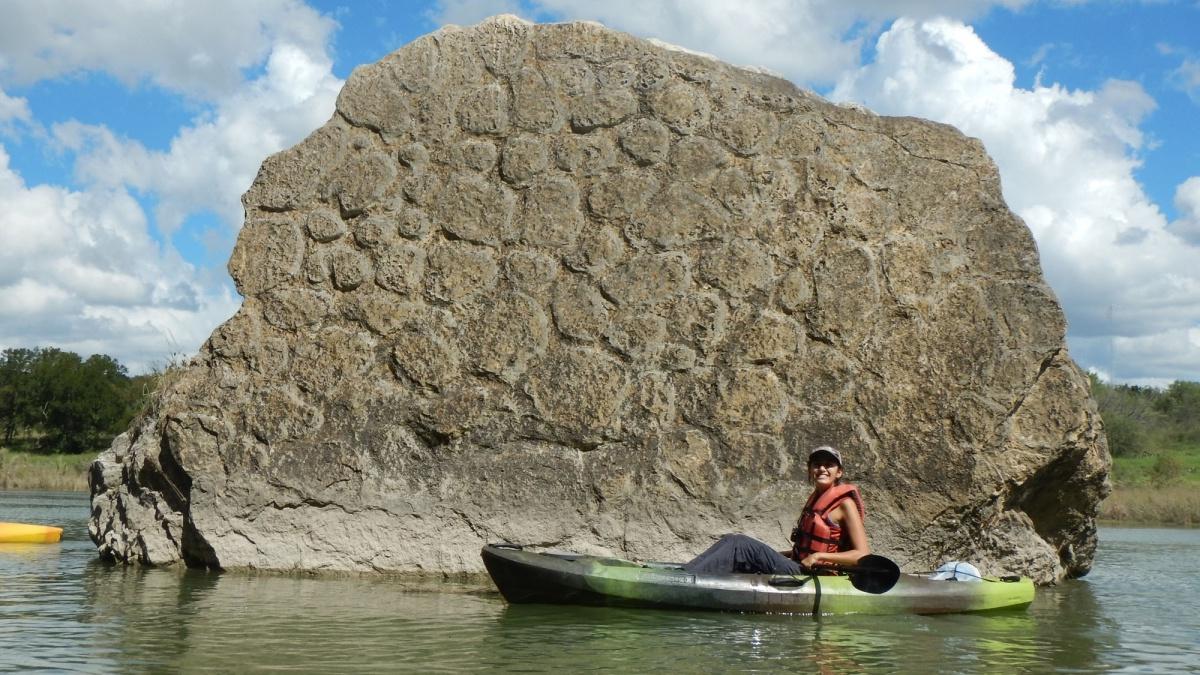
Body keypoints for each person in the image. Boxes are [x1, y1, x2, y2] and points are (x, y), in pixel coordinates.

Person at [682, 445, 870, 575]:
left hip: (814, 574)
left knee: (740, 543)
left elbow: (862, 555)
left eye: (829, 465)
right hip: (796, 566)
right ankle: (687, 572)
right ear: (810, 469)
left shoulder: (845, 504)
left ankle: (687, 580)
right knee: (731, 539)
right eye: (816, 464)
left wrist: (819, 556)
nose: (822, 468)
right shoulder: (815, 500)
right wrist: (779, 555)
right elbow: (805, 550)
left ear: (839, 472)